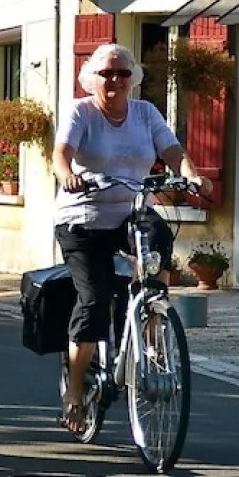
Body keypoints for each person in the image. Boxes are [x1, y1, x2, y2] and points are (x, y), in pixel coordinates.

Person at [51, 42, 212, 436]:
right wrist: (67, 174)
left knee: (157, 240)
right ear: (93, 78)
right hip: (83, 220)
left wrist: (191, 174)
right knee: (94, 300)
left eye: (123, 74)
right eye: (107, 74)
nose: (115, 81)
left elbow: (173, 152)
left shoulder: (145, 113)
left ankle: (150, 319)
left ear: (132, 79)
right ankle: (74, 393)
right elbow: (60, 153)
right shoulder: (81, 112)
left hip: (129, 212)